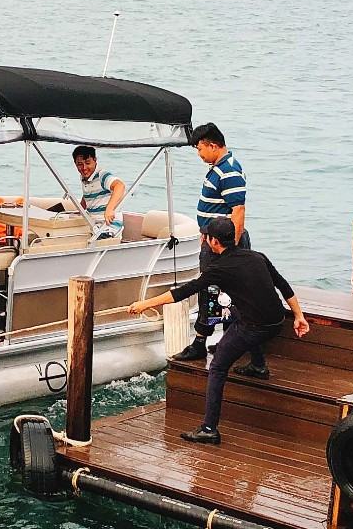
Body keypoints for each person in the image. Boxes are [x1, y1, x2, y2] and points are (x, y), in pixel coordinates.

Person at [130, 222, 309, 445]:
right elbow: (283, 285)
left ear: (213, 241)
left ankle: (208, 429)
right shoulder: (257, 256)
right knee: (233, 309)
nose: (203, 240)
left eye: (204, 237)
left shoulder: (219, 268)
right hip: (278, 322)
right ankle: (258, 365)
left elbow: (182, 293)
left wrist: (145, 304)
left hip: (253, 329)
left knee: (217, 368)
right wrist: (299, 316)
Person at [172, 122, 248, 364]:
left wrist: (231, 250)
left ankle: (201, 343)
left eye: (200, 149)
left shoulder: (229, 172)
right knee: (216, 291)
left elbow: (238, 213)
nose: (199, 154)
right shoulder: (219, 167)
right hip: (213, 239)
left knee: (213, 290)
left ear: (213, 146)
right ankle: (225, 340)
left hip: (223, 244)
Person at [53, 144, 126, 235]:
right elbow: (87, 194)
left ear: (95, 161)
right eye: (80, 164)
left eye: (88, 163)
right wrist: (80, 210)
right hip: (93, 224)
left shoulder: (101, 175)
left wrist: (109, 209)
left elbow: (120, 186)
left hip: (109, 226)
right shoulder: (83, 178)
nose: (84, 168)